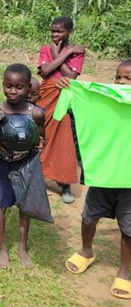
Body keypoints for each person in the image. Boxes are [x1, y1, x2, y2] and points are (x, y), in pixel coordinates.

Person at [62, 59, 131, 300]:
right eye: (118, 77)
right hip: (102, 174)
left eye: (128, 78)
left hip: (129, 182)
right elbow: (76, 114)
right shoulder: (103, 101)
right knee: (89, 217)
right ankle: (86, 251)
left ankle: (125, 271)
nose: (121, 82)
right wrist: (70, 91)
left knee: (128, 228)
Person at [0, 64, 45, 269]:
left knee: (24, 206)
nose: (13, 91)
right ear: (3, 84)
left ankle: (22, 247)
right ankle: (2, 247)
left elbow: (42, 137)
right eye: (8, 86)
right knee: (1, 205)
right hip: (2, 164)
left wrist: (40, 143)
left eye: (19, 87)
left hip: (25, 165)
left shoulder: (36, 113)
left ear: (28, 88)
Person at [37, 16, 85, 203]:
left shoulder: (77, 53)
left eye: (59, 31)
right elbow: (46, 71)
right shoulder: (45, 49)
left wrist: (60, 54)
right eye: (53, 31)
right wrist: (64, 54)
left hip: (64, 99)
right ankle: (37, 176)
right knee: (41, 135)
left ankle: (64, 184)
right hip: (45, 97)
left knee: (63, 139)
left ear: (69, 32)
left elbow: (71, 77)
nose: (55, 34)